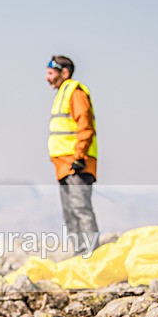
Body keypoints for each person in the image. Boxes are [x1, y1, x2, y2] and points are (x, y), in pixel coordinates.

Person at [46, 55, 99, 255]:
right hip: (64, 165)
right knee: (70, 214)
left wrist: (79, 156)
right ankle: (80, 256)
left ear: (65, 72)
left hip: (77, 163)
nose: (47, 78)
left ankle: (92, 256)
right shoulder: (62, 94)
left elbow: (85, 125)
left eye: (51, 73)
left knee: (81, 209)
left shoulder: (75, 92)